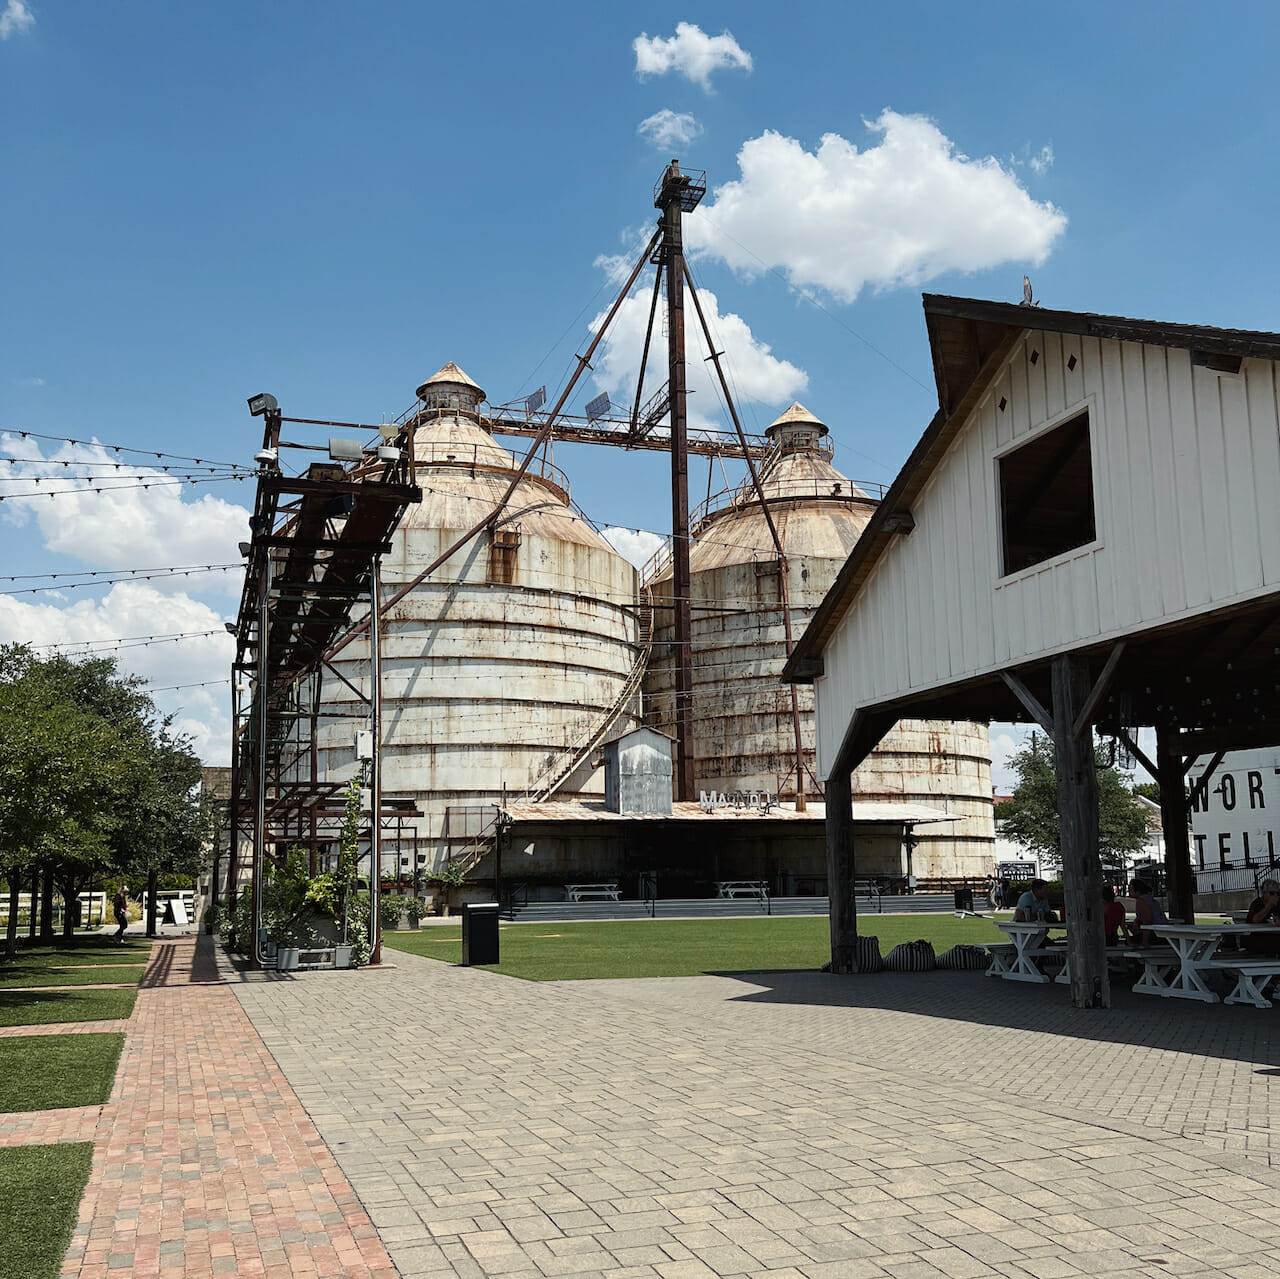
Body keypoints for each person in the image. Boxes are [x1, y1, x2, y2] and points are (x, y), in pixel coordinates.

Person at [1127, 878, 1168, 945]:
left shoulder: (1141, 901)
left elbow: (1147, 921)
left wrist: (1144, 941)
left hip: (1156, 934)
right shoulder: (1150, 899)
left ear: (1137, 891)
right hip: (1163, 933)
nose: (1129, 891)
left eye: (1131, 889)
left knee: (1129, 941)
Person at [1244, 879, 1280, 955]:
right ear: (1264, 893)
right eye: (1272, 893)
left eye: (1278, 893)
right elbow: (1255, 920)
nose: (1275, 896)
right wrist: (1268, 906)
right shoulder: (1257, 903)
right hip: (1259, 937)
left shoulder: (1278, 904)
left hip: (1275, 936)